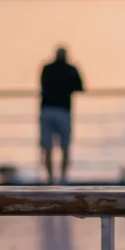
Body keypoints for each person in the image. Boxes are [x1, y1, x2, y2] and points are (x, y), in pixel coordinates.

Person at [40, 47, 84, 184]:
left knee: (47, 147)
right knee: (65, 146)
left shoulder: (47, 69)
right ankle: (63, 178)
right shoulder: (71, 69)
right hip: (63, 110)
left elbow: (42, 85)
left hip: (47, 109)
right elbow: (81, 87)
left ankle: (50, 178)